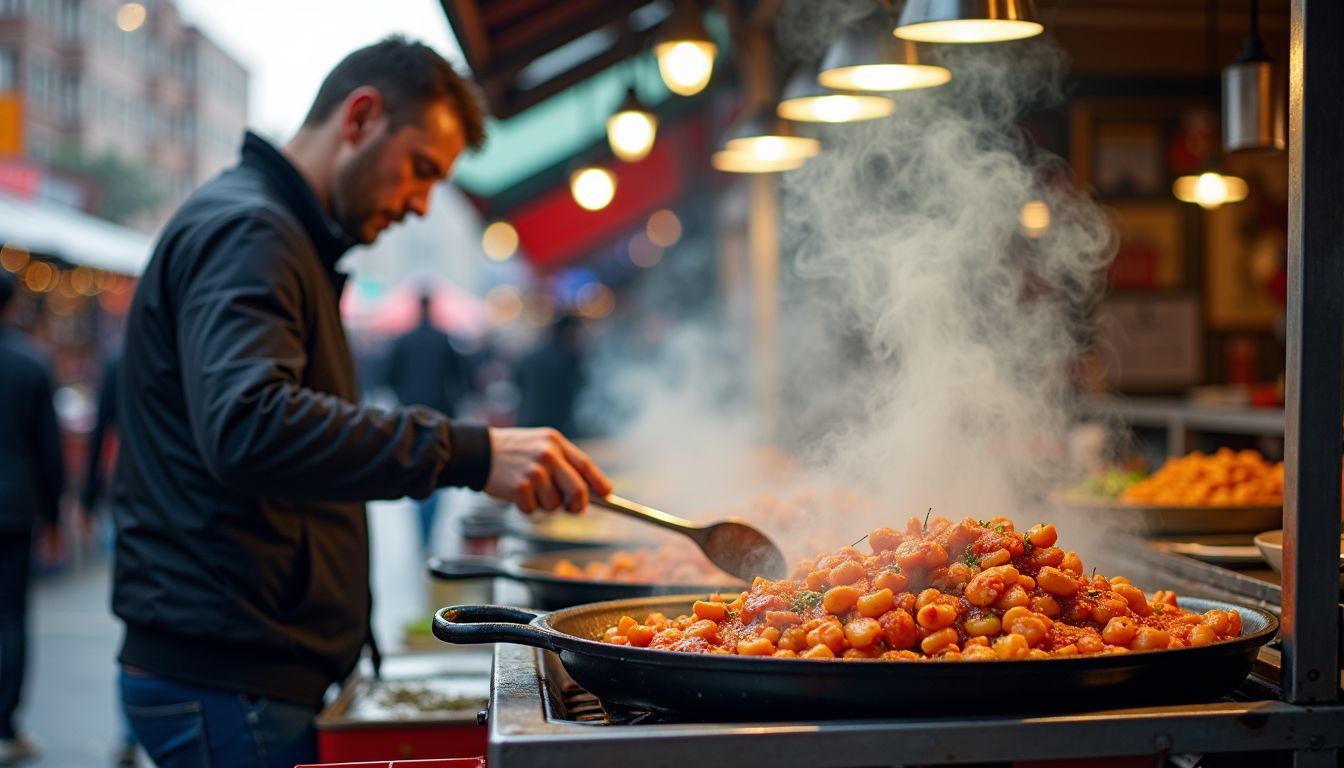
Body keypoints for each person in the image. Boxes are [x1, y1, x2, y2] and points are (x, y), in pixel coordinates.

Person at [110, 37, 611, 768]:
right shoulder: (249, 229)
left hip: (245, 664)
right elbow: (251, 424)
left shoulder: (279, 234)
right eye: (419, 170)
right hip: (227, 673)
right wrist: (473, 451)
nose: (417, 203)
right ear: (361, 118)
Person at [0, 271, 65, 765]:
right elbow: (49, 451)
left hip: (15, 504)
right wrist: (55, 515)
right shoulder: (30, 364)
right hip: (14, 507)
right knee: (11, 617)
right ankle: (5, 723)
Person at [384, 291, 473, 552]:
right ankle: (428, 532)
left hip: (410, 415)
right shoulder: (442, 339)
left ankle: (423, 534)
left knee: (416, 473)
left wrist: (402, 399)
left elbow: (388, 375)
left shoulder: (404, 340)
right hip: (439, 414)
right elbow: (461, 376)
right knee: (435, 474)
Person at [514, 314, 585, 437]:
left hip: (528, 418)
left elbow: (518, 382)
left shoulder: (531, 355)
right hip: (555, 424)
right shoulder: (567, 358)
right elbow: (575, 389)